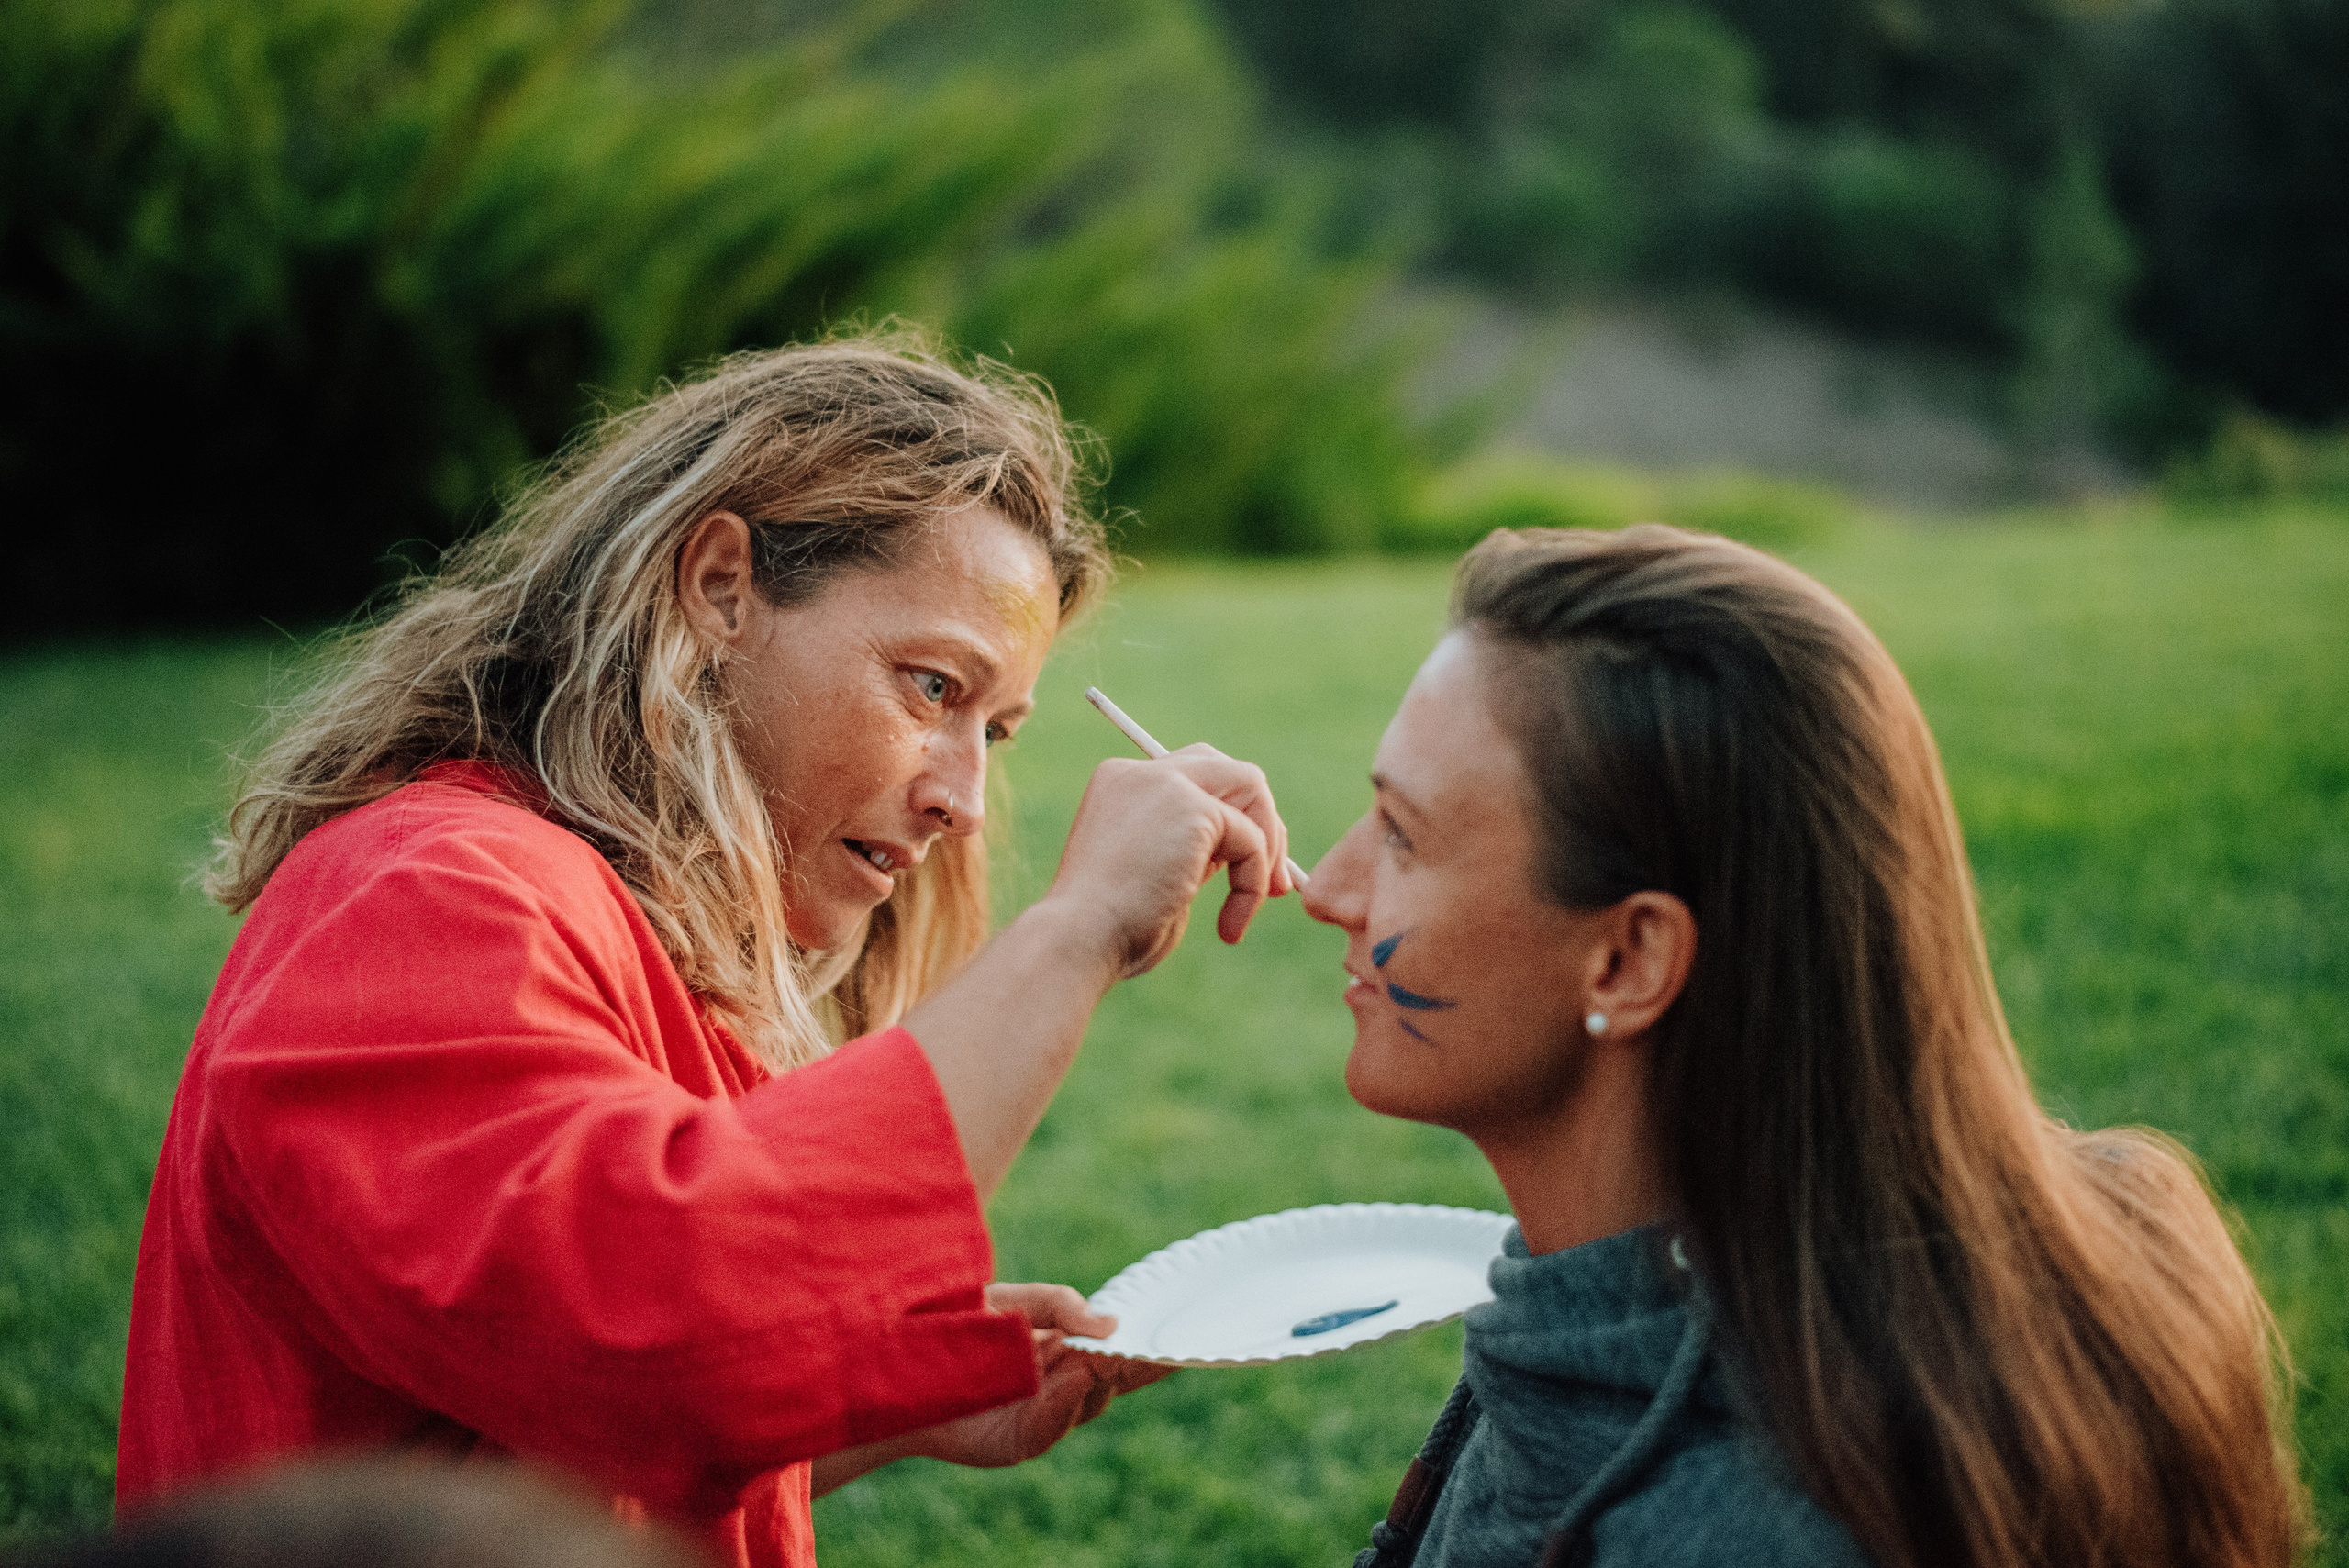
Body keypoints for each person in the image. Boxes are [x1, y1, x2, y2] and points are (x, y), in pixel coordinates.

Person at [118, 329, 1298, 1568]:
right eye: (934, 688)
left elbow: (537, 1419)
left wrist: (882, 1407)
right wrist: (1076, 928)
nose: (961, 797)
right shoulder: (423, 888)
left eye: (997, 731)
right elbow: (657, 1324)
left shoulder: (631, 919)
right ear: (722, 584)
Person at [1301, 525, 2306, 1568]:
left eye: (1402, 833)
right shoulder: (1776, 1299)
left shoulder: (1749, 1527)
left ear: (1629, 959)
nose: (1328, 887)